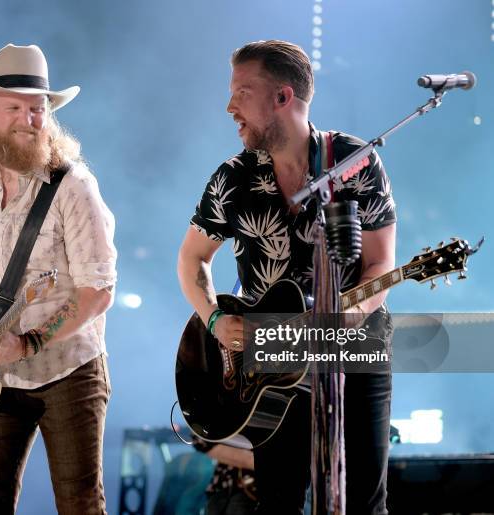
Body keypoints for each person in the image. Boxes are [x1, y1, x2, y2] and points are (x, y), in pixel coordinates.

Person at [177, 40, 396, 514]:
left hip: (356, 351)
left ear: (283, 96)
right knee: (278, 501)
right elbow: (192, 260)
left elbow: (381, 263)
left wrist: (350, 312)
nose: (229, 105)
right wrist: (214, 321)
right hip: (270, 364)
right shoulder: (231, 177)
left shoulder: (355, 161)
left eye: (242, 91)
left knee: (365, 502)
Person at [0, 43, 117, 514]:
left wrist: (28, 343)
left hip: (68, 371)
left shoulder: (73, 185)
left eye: (38, 109)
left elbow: (98, 291)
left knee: (79, 504)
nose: (30, 119)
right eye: (16, 108)